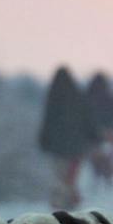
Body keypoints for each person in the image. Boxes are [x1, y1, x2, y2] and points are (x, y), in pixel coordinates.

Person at [37, 66, 99, 208]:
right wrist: (95, 136)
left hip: (57, 148)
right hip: (76, 149)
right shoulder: (78, 97)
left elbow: (47, 122)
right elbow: (88, 120)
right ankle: (70, 202)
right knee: (71, 178)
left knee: (61, 177)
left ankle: (61, 203)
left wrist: (43, 141)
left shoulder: (53, 98)